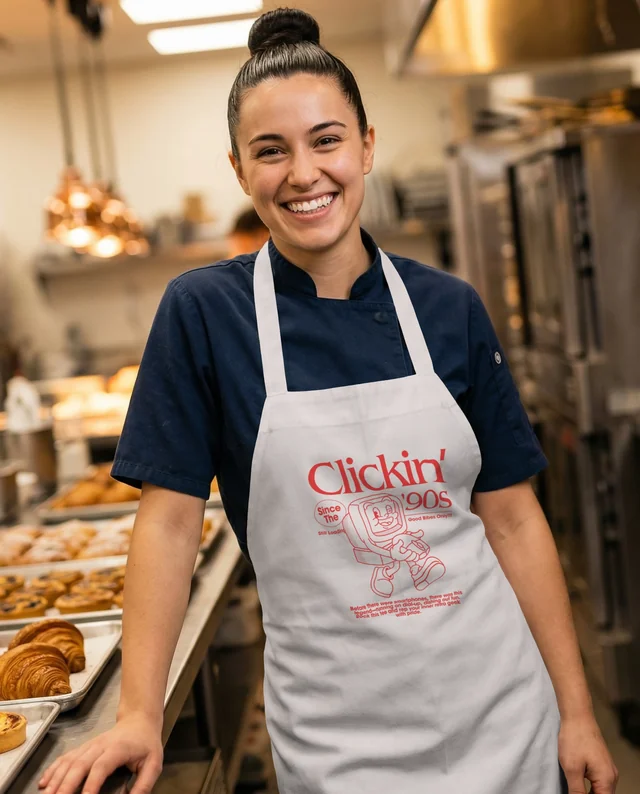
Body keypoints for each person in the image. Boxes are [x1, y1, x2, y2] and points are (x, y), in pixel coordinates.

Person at [40, 9, 618, 794]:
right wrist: (138, 713)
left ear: (366, 145)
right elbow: (170, 528)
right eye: (270, 151)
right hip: (339, 740)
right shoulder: (206, 315)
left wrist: (576, 709)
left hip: (506, 713)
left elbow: (513, 519)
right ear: (240, 171)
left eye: (327, 139)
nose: (303, 173)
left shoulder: (448, 307)